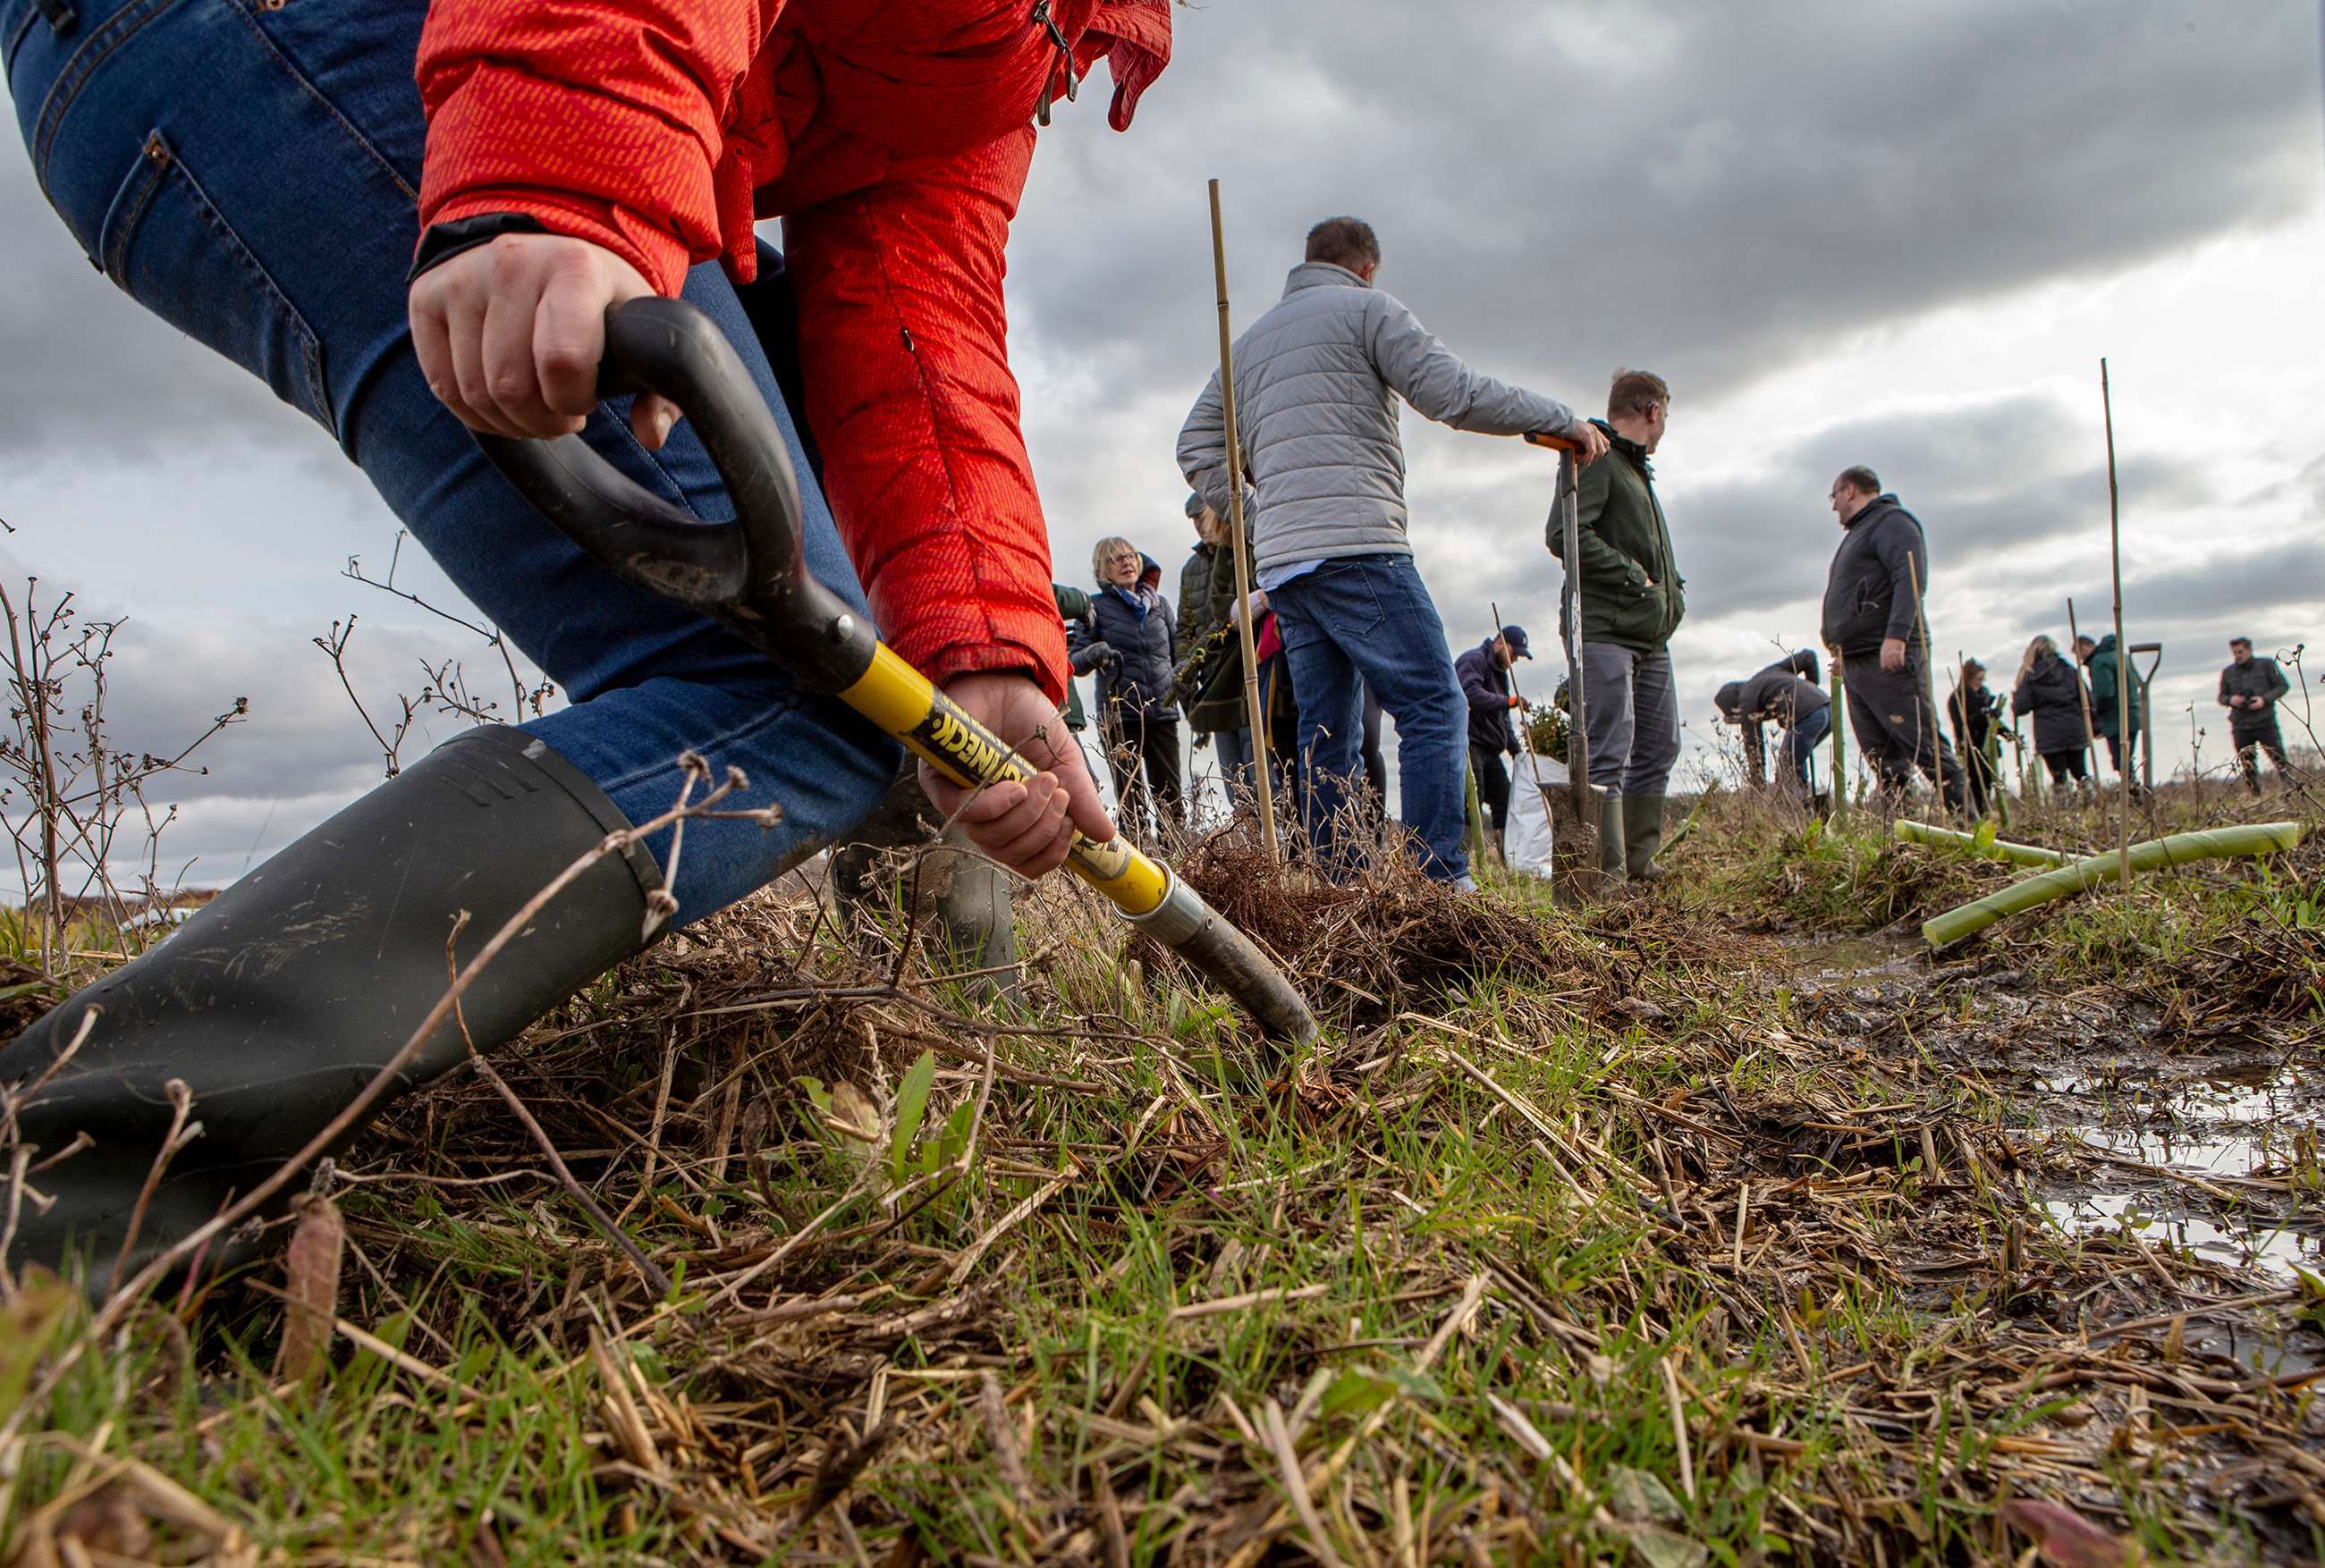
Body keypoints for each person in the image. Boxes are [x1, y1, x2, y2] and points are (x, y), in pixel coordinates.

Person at [0, 0, 1167, 1281]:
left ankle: (946, 1026)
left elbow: (908, 293)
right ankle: (58, 1193)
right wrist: (565, 166)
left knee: (855, 634)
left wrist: (979, 651)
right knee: (794, 686)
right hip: (330, 37)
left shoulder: (1061, 28)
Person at [1177, 215, 1605, 887]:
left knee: (1328, 734)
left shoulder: (1250, 344)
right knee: (1436, 705)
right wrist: (1562, 419)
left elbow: (1195, 446)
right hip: (1358, 547)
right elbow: (1454, 395)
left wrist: (1260, 517)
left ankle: (1338, 886)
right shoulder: (1367, 310)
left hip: (1288, 567)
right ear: (1368, 267)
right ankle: (1438, 881)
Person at [1546, 371, 1685, 881]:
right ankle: (1605, 876)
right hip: (1605, 630)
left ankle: (1640, 863)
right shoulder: (1599, 459)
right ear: (1651, 410)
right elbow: (1564, 534)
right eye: (1666, 413)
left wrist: (1669, 592)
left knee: (1660, 745)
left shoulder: (1637, 471)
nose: (1665, 424)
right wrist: (1634, 577)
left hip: (1650, 635)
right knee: (1610, 751)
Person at [1818, 467, 1967, 812]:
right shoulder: (1859, 533)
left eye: (1834, 496)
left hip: (1887, 655)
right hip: (1858, 659)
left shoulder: (1893, 523)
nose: (1834, 506)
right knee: (1881, 756)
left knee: (1923, 745)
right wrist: (1842, 649)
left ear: (1850, 490)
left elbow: (1910, 578)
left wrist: (1897, 636)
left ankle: (1969, 822)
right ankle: (1904, 829)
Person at [1085, 538, 1183, 840]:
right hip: (1119, 713)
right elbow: (1077, 658)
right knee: (1131, 796)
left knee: (1170, 794)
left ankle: (1177, 855)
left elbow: (1179, 652)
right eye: (1117, 559)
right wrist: (1095, 653)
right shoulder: (1095, 607)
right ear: (1103, 571)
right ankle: (1137, 857)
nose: (1127, 562)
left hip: (1162, 709)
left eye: (1131, 556)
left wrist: (1177, 680)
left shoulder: (1160, 605)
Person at [1174, 493, 1262, 806]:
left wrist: (1199, 652)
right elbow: (1184, 624)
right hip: (1211, 679)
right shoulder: (1191, 568)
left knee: (1259, 765)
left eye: (1203, 516)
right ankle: (1249, 845)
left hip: (1245, 669)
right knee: (1233, 775)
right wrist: (1186, 663)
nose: (1200, 525)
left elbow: (1231, 615)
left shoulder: (1242, 549)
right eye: (1194, 521)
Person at [1713, 650, 1829, 801]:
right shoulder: (1767, 675)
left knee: (1787, 768)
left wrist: (1757, 787)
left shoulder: (1746, 701)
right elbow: (1808, 657)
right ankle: (1806, 802)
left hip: (1809, 716)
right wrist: (1812, 688)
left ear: (1735, 707)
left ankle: (1798, 811)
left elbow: (1754, 746)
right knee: (1794, 761)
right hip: (1827, 708)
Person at [1455, 627, 1531, 846]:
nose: (1515, 660)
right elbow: (1469, 694)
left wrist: (1516, 750)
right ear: (1500, 644)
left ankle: (1508, 856)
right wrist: (1508, 702)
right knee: (1471, 802)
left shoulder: (1501, 675)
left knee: (1504, 800)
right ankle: (1462, 859)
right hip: (1471, 744)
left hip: (1491, 749)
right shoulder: (1474, 660)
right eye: (1514, 654)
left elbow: (1502, 717)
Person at [2013, 636, 2093, 796]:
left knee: (2059, 776)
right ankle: (2091, 803)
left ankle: (2065, 811)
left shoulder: (2030, 675)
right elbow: (2087, 699)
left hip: (2049, 733)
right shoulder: (2070, 670)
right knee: (2080, 771)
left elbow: (2021, 707)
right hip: (2074, 729)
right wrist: (2095, 726)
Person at [2219, 636, 2293, 792]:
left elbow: (2282, 686)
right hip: (2241, 725)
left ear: (2249, 650)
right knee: (2248, 766)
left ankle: (2292, 793)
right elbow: (2221, 697)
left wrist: (2264, 700)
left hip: (2265, 722)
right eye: (2234, 652)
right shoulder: (2228, 672)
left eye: (2240, 651)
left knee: (2280, 762)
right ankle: (2256, 797)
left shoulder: (2266, 665)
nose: (2238, 655)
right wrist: (2232, 699)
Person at [2076, 633, 2144, 794]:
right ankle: (2133, 792)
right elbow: (2137, 682)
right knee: (2127, 758)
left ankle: (2133, 794)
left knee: (2121, 760)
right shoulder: (2123, 656)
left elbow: (2104, 693)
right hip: (2133, 714)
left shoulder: (2099, 662)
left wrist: (2095, 714)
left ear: (2086, 647)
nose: (2080, 659)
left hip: (2114, 718)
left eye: (2079, 654)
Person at [1947, 659, 2004, 816]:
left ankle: (1985, 812)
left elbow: (1991, 723)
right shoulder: (1958, 698)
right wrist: (1982, 714)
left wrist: (2005, 732)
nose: (1980, 683)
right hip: (1970, 747)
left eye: (1982, 680)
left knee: (1987, 782)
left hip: (1987, 747)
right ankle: (1974, 814)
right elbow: (1962, 724)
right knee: (1973, 784)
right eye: (1977, 679)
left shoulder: (1984, 696)